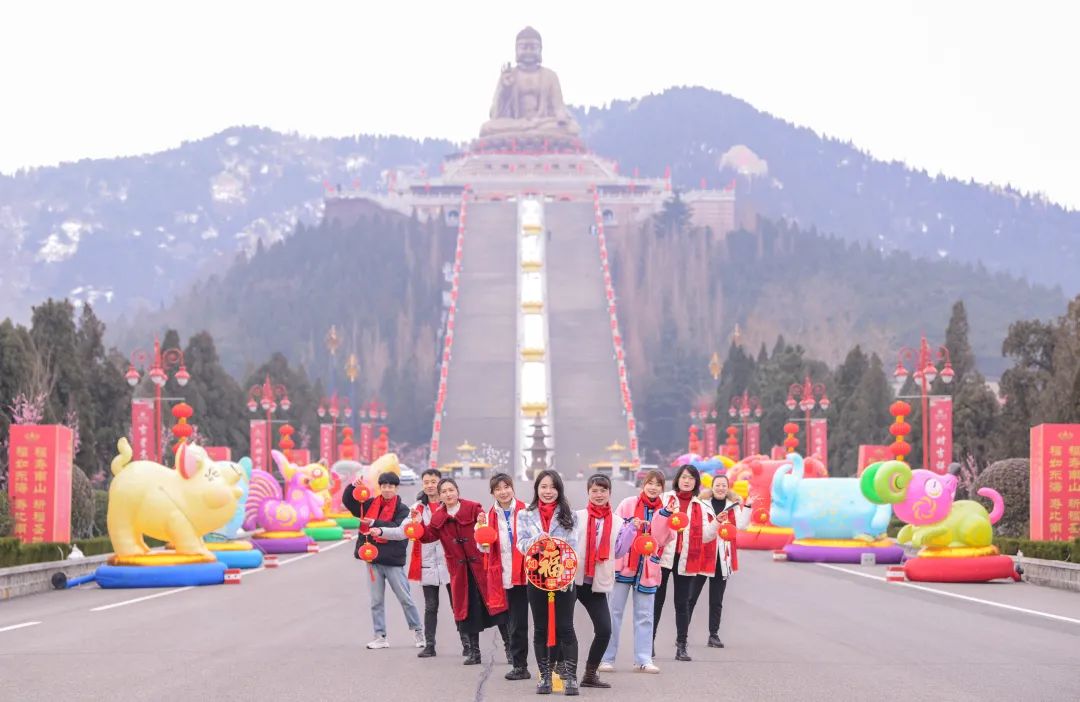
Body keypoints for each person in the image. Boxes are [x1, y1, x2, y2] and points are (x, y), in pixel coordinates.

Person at [418, 478, 508, 665]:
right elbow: (427, 536)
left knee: (497, 608)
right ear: (440, 496)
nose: (448, 494)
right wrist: (417, 525)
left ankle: (511, 650)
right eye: (444, 492)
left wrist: (482, 524)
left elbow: (487, 531)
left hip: (481, 568)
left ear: (457, 491)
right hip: (459, 571)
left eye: (451, 490)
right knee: (467, 612)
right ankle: (474, 653)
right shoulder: (438, 518)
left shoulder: (473, 508)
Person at [600, 469, 673, 674]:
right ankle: (606, 658)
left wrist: (664, 516)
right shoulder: (628, 504)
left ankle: (643, 659)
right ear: (643, 484)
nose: (653, 488)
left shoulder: (665, 510)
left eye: (658, 484)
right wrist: (630, 525)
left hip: (648, 567)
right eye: (650, 483)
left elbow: (663, 539)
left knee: (645, 615)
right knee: (613, 612)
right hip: (624, 565)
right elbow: (613, 529)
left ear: (662, 488)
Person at [517, 469, 582, 696]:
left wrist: (564, 575)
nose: (548, 491)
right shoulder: (525, 514)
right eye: (543, 487)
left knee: (565, 627)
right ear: (536, 489)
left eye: (552, 487)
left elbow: (572, 547)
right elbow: (521, 545)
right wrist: (538, 540)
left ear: (559, 490)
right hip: (537, 578)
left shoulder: (570, 514)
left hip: (563, 578)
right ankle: (545, 676)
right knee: (541, 628)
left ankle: (571, 678)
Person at [343, 470, 424, 650]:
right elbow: (349, 503)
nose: (387, 489)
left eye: (391, 486)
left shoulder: (403, 510)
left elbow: (396, 528)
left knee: (405, 599)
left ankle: (418, 631)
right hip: (373, 560)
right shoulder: (369, 504)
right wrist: (352, 487)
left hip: (393, 561)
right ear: (380, 487)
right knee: (376, 601)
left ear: (396, 488)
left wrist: (374, 524)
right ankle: (380, 637)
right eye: (384, 486)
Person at [652, 464, 719, 662]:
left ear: (696, 482)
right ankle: (648, 644)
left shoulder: (700, 506)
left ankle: (681, 646)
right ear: (678, 479)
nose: (687, 481)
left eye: (691, 478)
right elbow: (655, 523)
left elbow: (706, 536)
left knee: (682, 603)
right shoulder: (665, 499)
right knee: (656, 601)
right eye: (683, 477)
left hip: (686, 558)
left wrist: (717, 522)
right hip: (663, 557)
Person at [566, 474, 625, 689]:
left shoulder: (618, 522)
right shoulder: (576, 517)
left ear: (610, 492)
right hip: (573, 580)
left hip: (596, 582)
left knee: (604, 630)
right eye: (594, 491)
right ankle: (563, 672)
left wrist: (631, 532)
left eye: (603, 490)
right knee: (563, 627)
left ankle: (590, 674)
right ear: (588, 492)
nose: (599, 495)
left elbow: (619, 551)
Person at [411, 468, 467, 659]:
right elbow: (405, 529)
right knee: (430, 606)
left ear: (440, 483)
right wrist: (380, 529)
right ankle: (430, 646)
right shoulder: (417, 508)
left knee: (456, 604)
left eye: (433, 482)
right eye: (426, 482)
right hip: (428, 563)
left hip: (450, 561)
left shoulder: (451, 505)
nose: (429, 485)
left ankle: (467, 645)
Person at [687, 473, 740, 648]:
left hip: (722, 560)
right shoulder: (702, 504)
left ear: (728, 487)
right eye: (718, 485)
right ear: (712, 486)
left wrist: (748, 506)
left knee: (716, 601)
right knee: (691, 597)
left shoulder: (733, 506)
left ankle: (713, 635)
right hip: (703, 557)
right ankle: (682, 633)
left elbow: (742, 525)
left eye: (724, 485)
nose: (721, 488)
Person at [489, 472, 531, 681]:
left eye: (506, 487)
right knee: (517, 623)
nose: (503, 492)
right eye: (498, 489)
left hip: (531, 574)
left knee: (545, 622)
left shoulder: (527, 510)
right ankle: (520, 666)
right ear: (493, 493)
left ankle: (552, 666)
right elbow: (484, 547)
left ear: (513, 488)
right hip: (509, 576)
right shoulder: (488, 516)